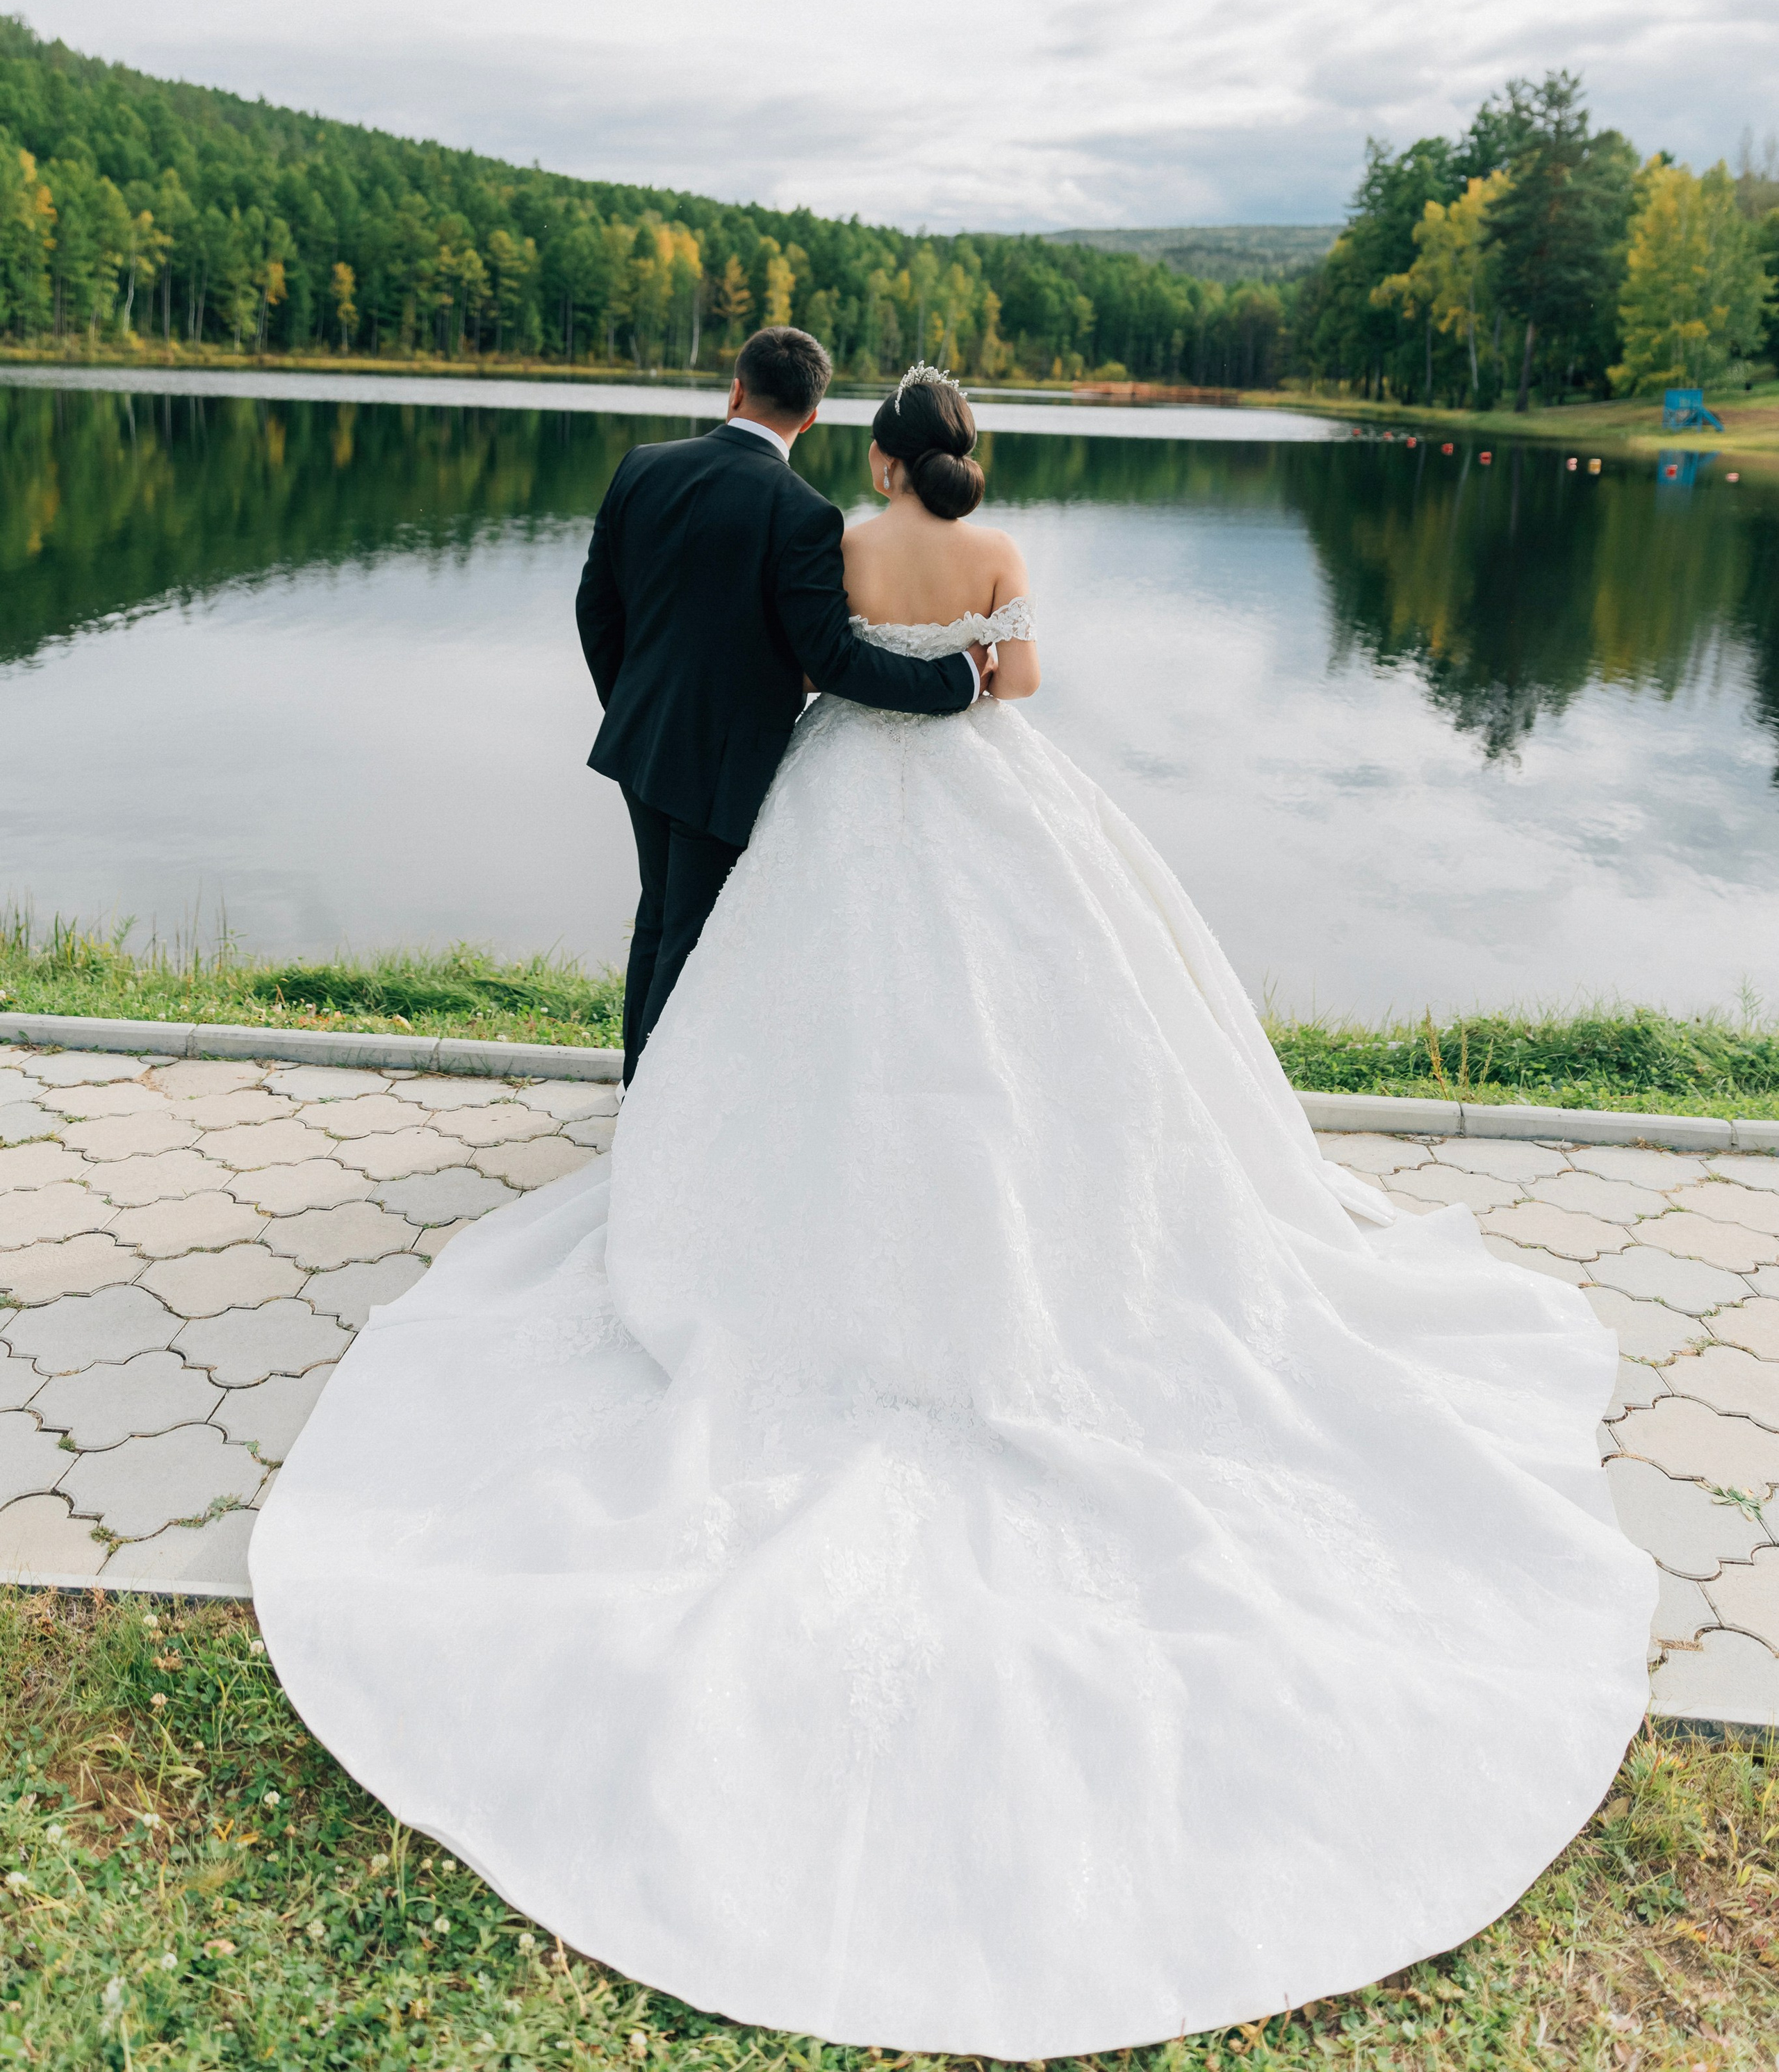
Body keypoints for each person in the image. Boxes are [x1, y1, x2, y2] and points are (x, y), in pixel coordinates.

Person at [252, 357, 1654, 2059]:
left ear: (874, 451)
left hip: (833, 796)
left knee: (789, 1011)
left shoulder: (826, 532)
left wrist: (836, 690)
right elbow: (1021, 682)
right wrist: (970, 669)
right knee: (1032, 1034)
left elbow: (808, 661)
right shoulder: (990, 556)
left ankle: (711, 1181)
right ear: (962, 457)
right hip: (978, 802)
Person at [574, 324, 987, 1081]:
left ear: (735, 389)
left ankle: (639, 1090)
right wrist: (952, 682)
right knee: (687, 932)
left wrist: (629, 702)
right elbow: (829, 658)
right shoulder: (804, 513)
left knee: (659, 916)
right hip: (725, 755)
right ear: (813, 418)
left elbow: (595, 608)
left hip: (638, 739)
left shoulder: (643, 467)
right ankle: (655, 1113)